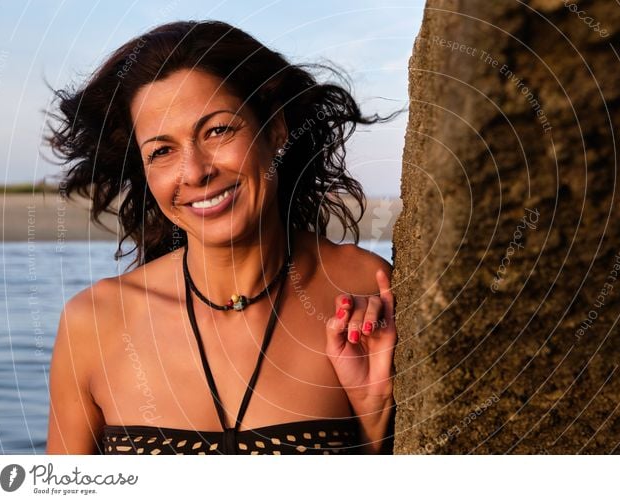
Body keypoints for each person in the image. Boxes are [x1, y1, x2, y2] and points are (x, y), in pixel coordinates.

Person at [44, 20, 398, 455]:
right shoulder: (91, 325)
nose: (194, 171)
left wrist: (374, 417)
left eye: (218, 130)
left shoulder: (365, 292)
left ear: (275, 131)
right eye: (162, 151)